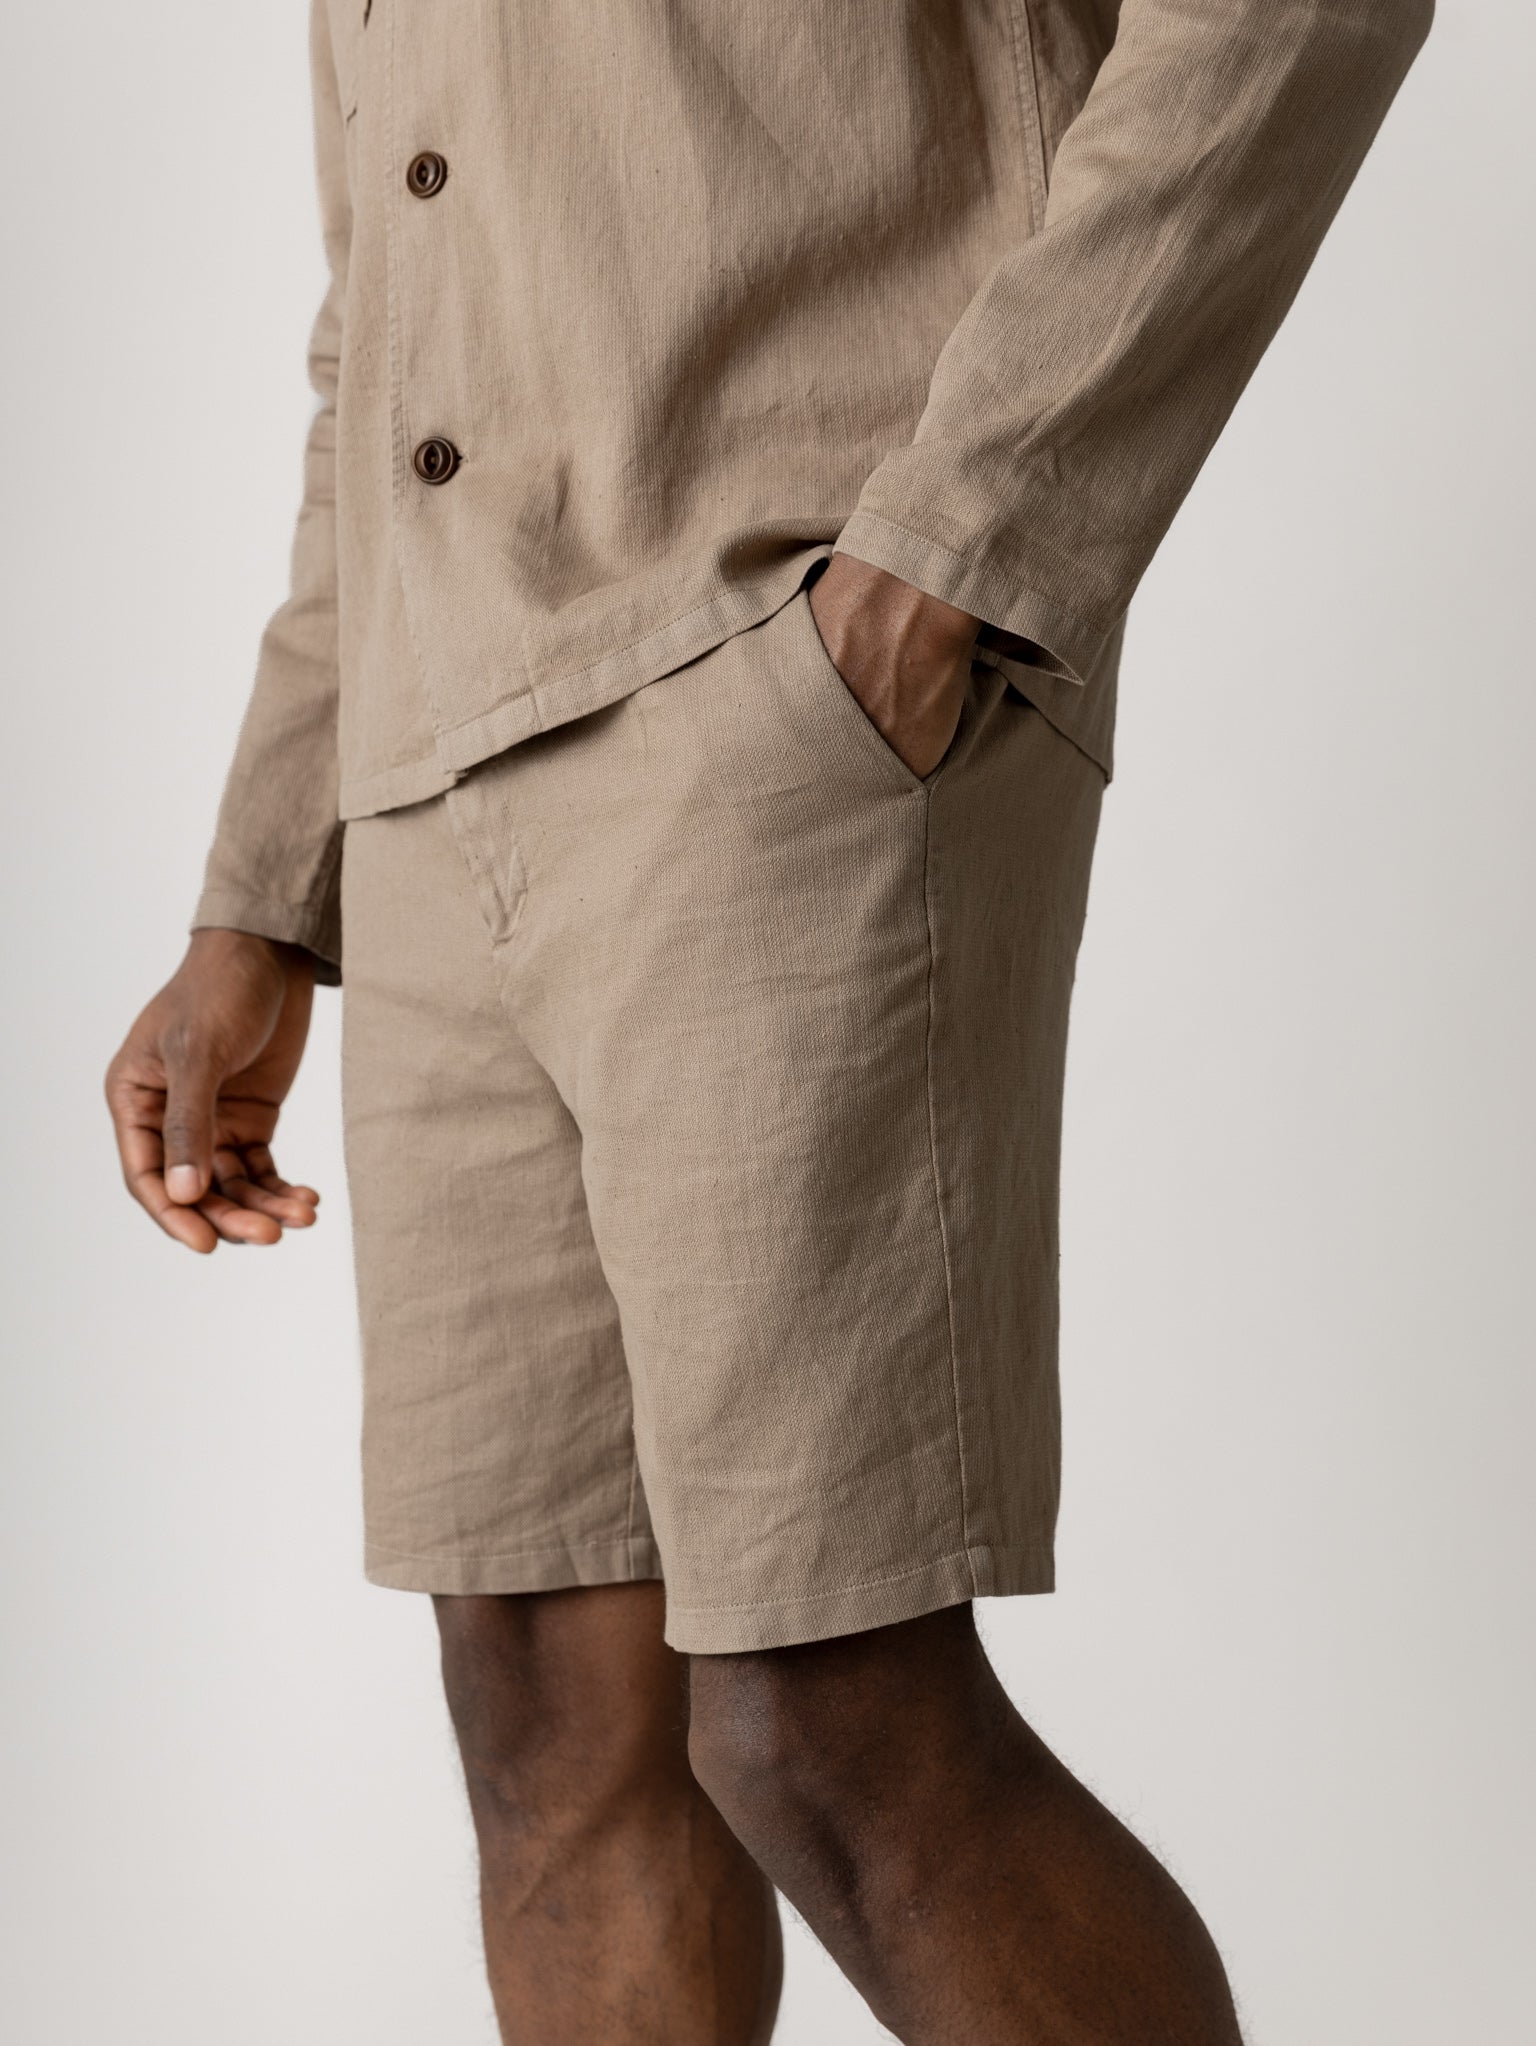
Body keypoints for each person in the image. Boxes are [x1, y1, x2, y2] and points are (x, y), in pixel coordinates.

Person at [105, 3, 1431, 2039]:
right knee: (543, 1711)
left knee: (823, 1714)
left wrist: (956, 551)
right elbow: (390, 321)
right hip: (433, 772)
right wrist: (263, 891)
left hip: (770, 683)